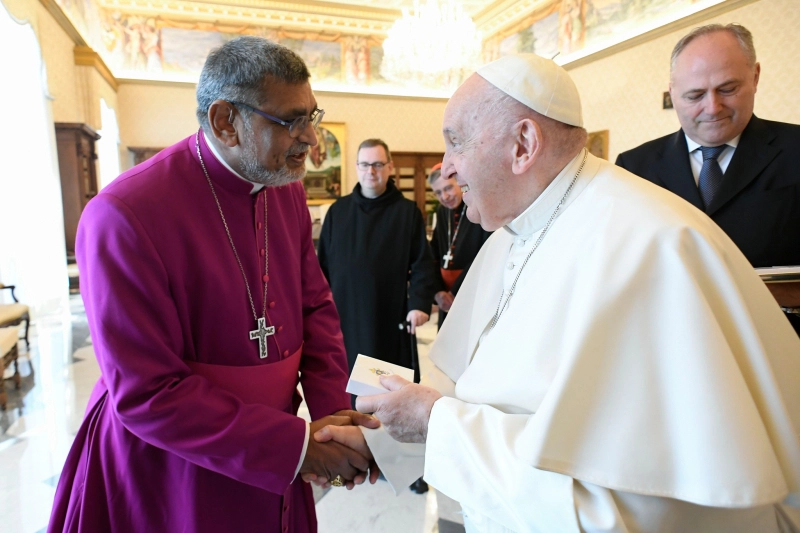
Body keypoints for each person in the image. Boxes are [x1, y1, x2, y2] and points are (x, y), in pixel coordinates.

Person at [316, 53, 800, 532]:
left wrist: (436, 427)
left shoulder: (648, 247)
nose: (447, 167)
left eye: (456, 143)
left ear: (523, 143)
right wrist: (387, 445)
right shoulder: (510, 232)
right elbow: (471, 395)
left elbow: (623, 505)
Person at [48, 37, 379, 533]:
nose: (311, 139)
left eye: (313, 116)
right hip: (172, 464)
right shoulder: (121, 217)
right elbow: (148, 393)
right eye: (292, 121)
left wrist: (331, 413)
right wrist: (298, 447)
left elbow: (315, 307)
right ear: (226, 121)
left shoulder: (281, 191)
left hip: (276, 444)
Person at [616, 24, 800, 335]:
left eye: (728, 89)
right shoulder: (633, 167)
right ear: (673, 92)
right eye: (695, 95)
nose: (712, 108)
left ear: (755, 77)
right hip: (670, 344)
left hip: (781, 342)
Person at [317, 139, 436, 384]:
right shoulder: (337, 212)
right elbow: (322, 269)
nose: (371, 171)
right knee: (346, 391)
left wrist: (418, 304)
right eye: (365, 164)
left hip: (389, 318)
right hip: (344, 318)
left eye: (378, 164)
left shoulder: (407, 212)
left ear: (390, 167)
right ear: (357, 167)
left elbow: (423, 263)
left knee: (389, 396)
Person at [428, 163, 491, 329]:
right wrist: (438, 292)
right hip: (445, 297)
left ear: (459, 182)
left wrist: (454, 292)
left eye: (448, 188)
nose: (445, 196)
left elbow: (485, 253)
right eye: (438, 193)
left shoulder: (478, 207)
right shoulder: (442, 212)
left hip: (471, 291)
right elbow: (433, 254)